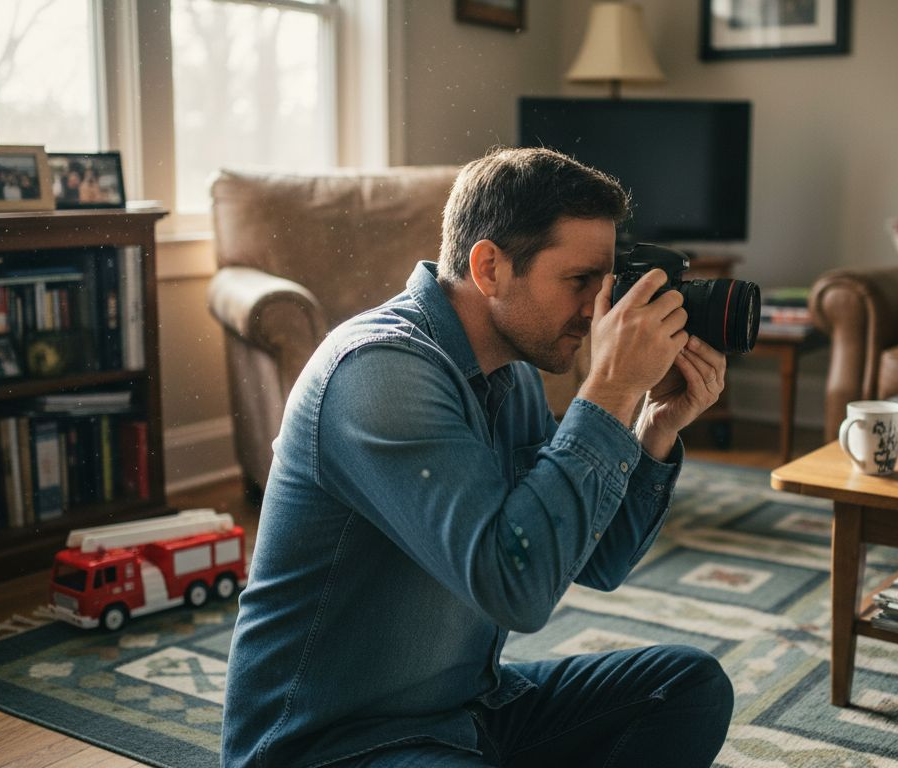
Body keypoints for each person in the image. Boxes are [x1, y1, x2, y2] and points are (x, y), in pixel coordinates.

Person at [222, 147, 734, 768]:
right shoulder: (377, 374)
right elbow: (515, 589)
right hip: (332, 743)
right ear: (489, 267)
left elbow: (594, 560)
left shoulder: (508, 373)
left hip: (467, 711)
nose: (597, 308)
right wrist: (611, 390)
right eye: (579, 281)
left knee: (687, 685)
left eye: (606, 284)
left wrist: (652, 426)